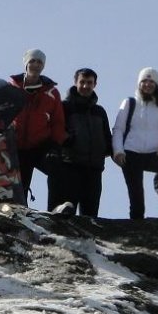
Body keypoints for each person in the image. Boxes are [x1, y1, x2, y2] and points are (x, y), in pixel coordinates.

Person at [111, 68, 158, 220]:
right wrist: (118, 151)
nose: (147, 84)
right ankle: (136, 224)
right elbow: (118, 129)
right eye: (144, 81)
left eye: (151, 81)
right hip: (131, 152)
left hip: (154, 152)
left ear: (156, 85)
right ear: (139, 83)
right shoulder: (129, 103)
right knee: (136, 194)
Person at [51, 67, 113, 216]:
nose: (85, 86)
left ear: (95, 84)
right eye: (82, 82)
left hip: (94, 168)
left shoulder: (100, 111)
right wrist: (69, 142)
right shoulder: (64, 106)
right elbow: (56, 130)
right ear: (75, 82)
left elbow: (107, 135)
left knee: (90, 215)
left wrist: (107, 150)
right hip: (70, 166)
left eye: (89, 82)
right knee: (67, 212)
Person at [8, 49, 66, 199]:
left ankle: (56, 208)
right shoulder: (11, 87)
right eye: (32, 61)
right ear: (26, 63)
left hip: (40, 145)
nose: (35, 64)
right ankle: (17, 208)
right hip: (16, 145)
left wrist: (55, 145)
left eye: (39, 62)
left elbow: (58, 122)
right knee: (20, 186)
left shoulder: (52, 93)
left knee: (57, 168)